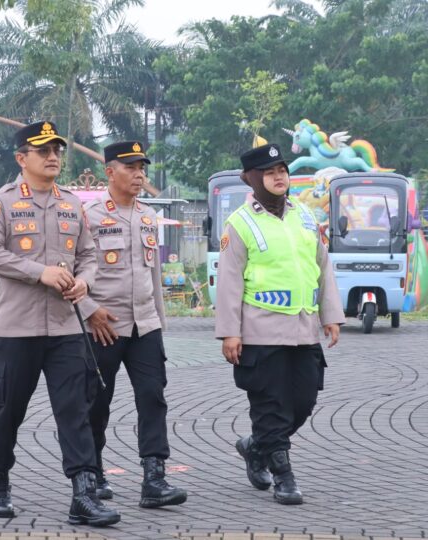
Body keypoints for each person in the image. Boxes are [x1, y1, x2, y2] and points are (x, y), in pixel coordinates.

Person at [0, 121, 120, 526]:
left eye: (57, 150)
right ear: (22, 159)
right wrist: (38, 272)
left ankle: (84, 494)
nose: (53, 156)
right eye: (43, 151)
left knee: (75, 410)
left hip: (66, 328)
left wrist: (85, 282)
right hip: (16, 328)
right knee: (8, 409)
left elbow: (88, 256)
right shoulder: (0, 203)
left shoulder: (73, 204)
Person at [215, 143, 345, 505]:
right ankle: (283, 475)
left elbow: (322, 266)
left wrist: (330, 315)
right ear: (252, 178)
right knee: (270, 406)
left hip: (304, 330)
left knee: (302, 401)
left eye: (282, 171)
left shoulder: (304, 215)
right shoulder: (239, 223)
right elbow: (229, 282)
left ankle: (256, 446)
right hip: (259, 332)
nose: (279, 177)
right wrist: (230, 332)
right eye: (270, 172)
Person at [79, 141, 187, 508]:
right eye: (131, 167)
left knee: (153, 398)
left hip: (145, 325)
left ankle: (154, 479)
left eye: (142, 167)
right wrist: (88, 309)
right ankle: (91, 474)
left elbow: (152, 272)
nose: (140, 175)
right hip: (103, 325)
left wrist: (159, 318)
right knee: (96, 403)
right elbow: (72, 270)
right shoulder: (89, 215)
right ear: (110, 171)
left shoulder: (146, 216)